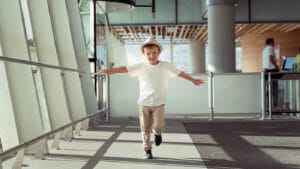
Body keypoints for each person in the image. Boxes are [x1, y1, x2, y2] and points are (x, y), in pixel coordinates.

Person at [98, 37, 205, 159]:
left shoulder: (165, 66)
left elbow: (180, 73)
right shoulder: (141, 66)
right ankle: (147, 149)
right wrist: (108, 71)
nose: (151, 55)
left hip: (159, 103)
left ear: (159, 52)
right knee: (145, 128)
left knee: (159, 125)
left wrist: (193, 80)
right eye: (148, 53)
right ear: (144, 54)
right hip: (143, 103)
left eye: (154, 53)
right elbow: (124, 69)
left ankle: (158, 134)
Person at [262, 38, 280, 111]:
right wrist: (277, 66)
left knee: (269, 89)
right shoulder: (270, 48)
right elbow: (270, 59)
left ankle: (268, 106)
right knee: (274, 89)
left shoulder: (264, 49)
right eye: (273, 42)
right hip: (272, 70)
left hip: (266, 70)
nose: (274, 43)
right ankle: (275, 106)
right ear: (271, 42)